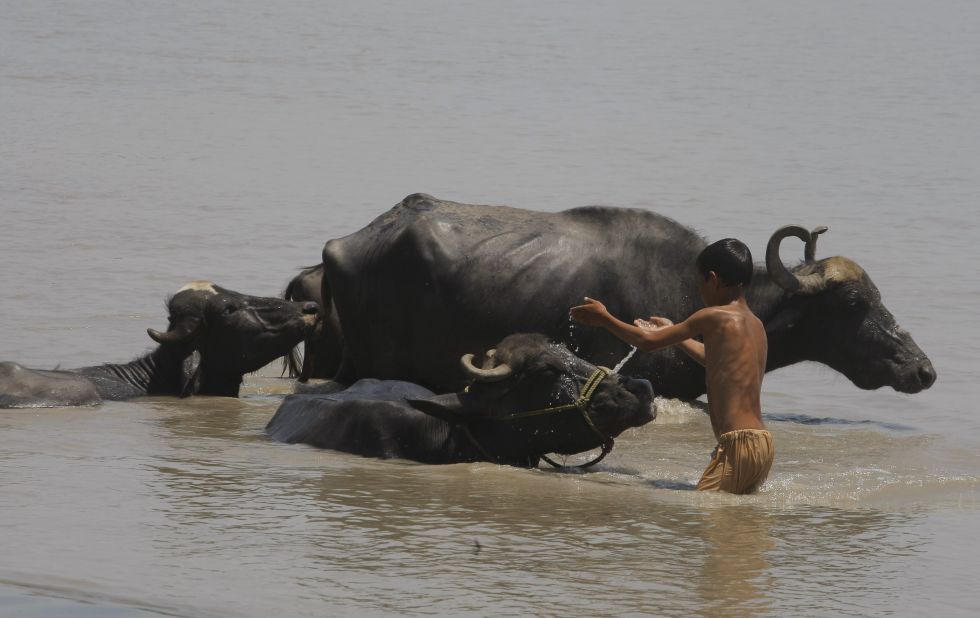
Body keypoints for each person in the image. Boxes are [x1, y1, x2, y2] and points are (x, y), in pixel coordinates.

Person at [569, 238, 773, 494]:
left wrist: (605, 318)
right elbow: (715, 361)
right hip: (761, 443)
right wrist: (673, 333)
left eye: (700, 284)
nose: (701, 292)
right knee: (737, 526)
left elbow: (647, 342)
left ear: (713, 279)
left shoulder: (714, 315)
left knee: (713, 519)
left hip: (737, 443)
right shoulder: (756, 326)